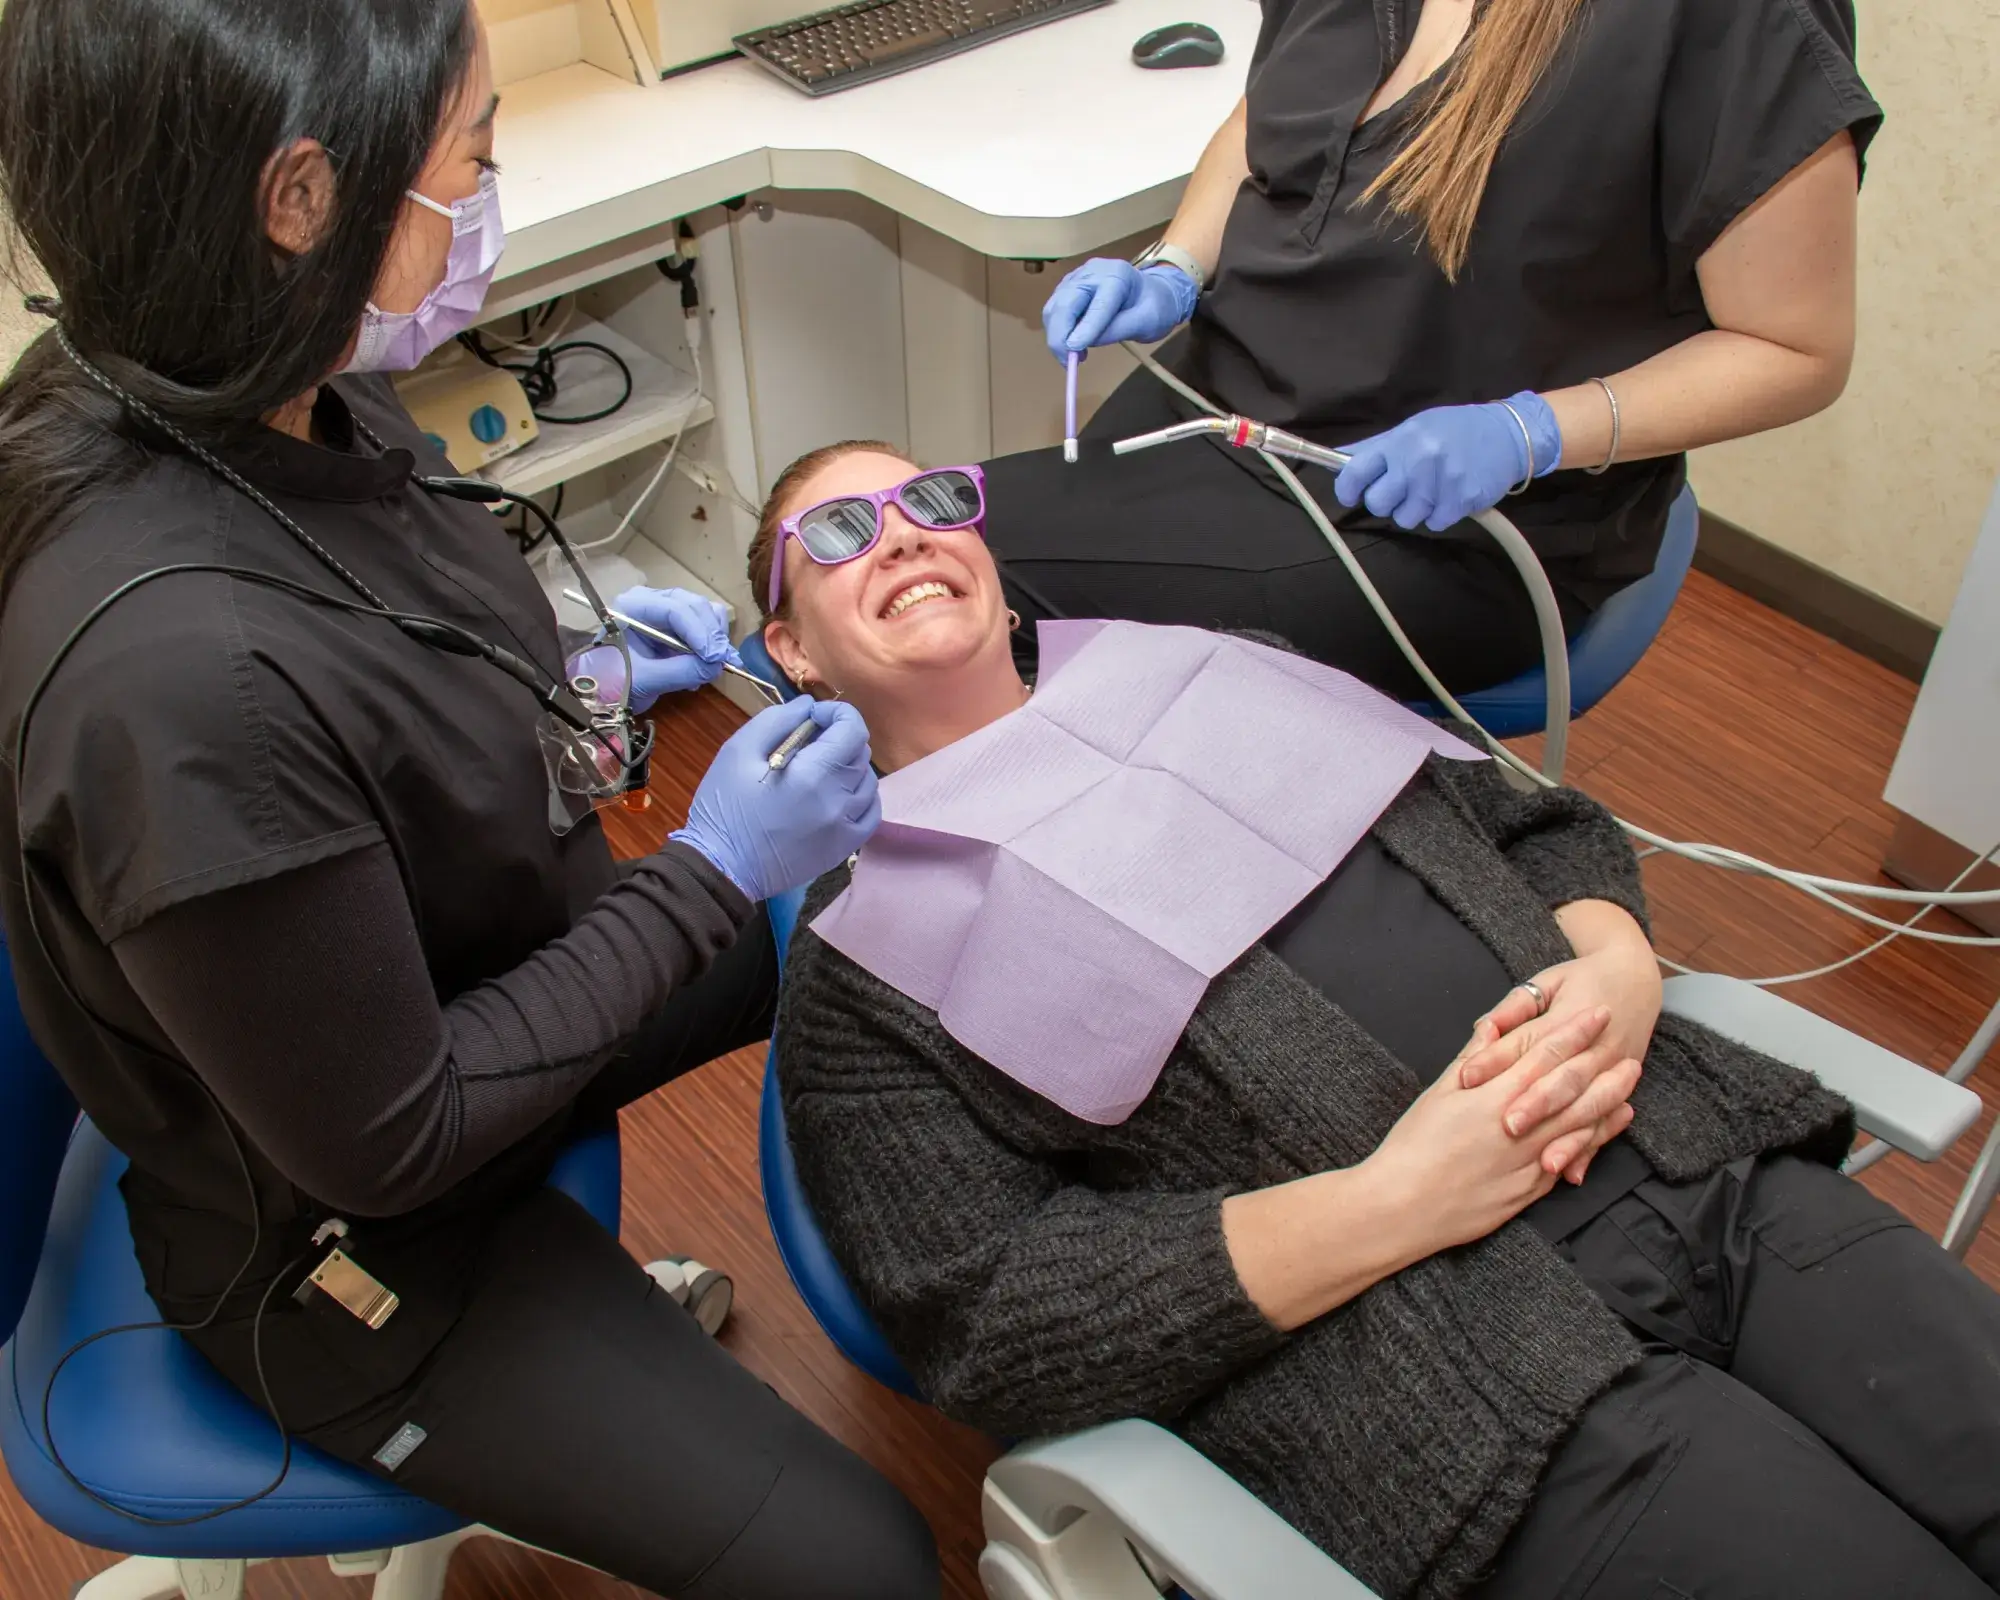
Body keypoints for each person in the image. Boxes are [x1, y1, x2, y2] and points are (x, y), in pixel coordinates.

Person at [0, 5, 937, 1596]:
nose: (491, 193)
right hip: (358, 1233)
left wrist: (569, 688)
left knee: (859, 912)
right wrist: (709, 869)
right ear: (299, 200)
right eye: (475, 159)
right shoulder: (174, 681)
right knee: (863, 1563)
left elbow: (347, 703)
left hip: (411, 971)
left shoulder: (251, 377)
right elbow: (397, 1134)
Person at [749, 440, 2000, 1600]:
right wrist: (1398, 1198)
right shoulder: (862, 968)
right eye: (844, 529)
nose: (905, 535)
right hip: (1455, 1381)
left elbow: (1532, 823)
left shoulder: (1214, 664)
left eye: (933, 502)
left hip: (1681, 1160)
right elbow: (988, 1318)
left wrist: (1618, 967)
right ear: (789, 651)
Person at [984, 0, 1882, 697]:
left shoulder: (1733, 23)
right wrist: (1177, 264)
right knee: (921, 555)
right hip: (1224, 398)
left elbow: (1794, 348)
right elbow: (1271, 111)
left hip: (1446, 522)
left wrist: (1528, 433)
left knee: (962, 577)